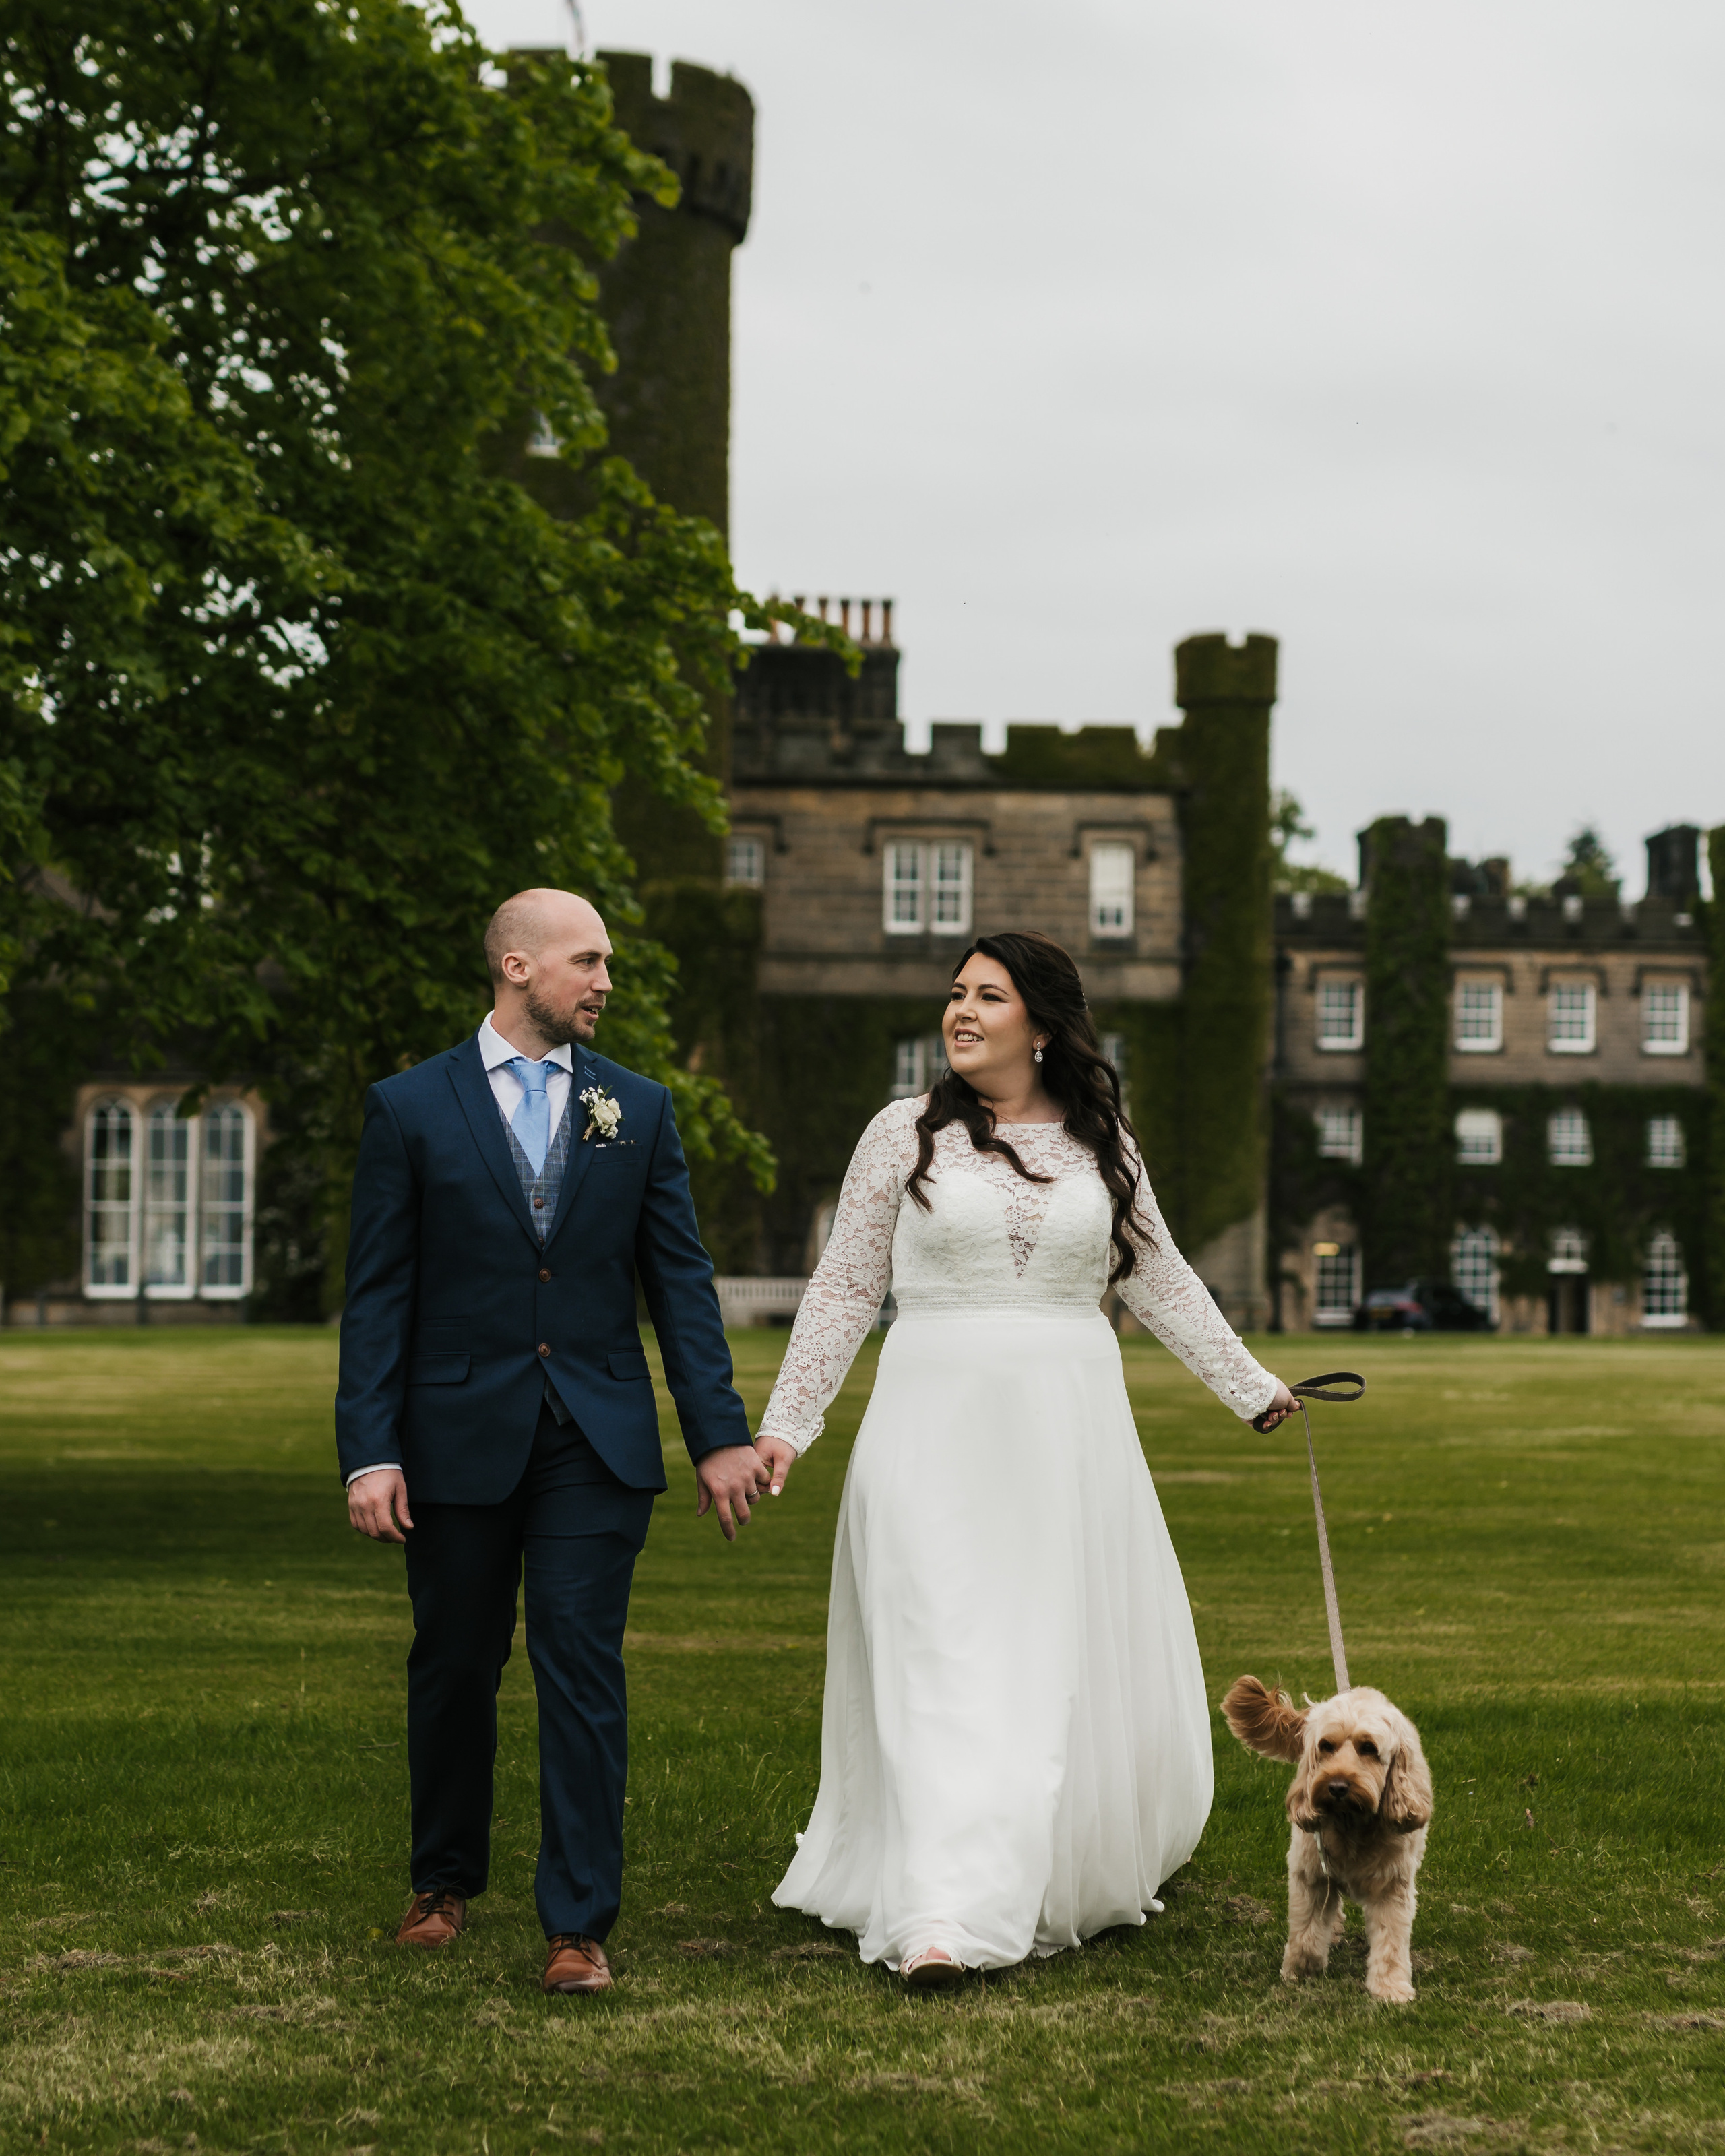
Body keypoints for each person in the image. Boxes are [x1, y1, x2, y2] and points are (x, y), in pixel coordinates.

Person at [752, 930, 1298, 1988]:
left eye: (988, 997)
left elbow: (1162, 1279)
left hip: (1065, 1433)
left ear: (1042, 1027)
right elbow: (844, 1287)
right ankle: (945, 1916)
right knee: (940, 1653)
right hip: (928, 1426)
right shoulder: (899, 1134)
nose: (960, 1012)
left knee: (1033, 1666)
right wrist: (787, 1423)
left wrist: (1252, 1389)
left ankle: (1013, 1871)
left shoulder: (1105, 1142)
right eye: (955, 994)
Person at [336, 889, 765, 1994]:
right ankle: (442, 1883)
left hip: (597, 1437)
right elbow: (378, 1296)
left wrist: (718, 1434)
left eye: (608, 963)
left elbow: (680, 1283)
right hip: (452, 1436)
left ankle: (578, 1923)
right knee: (456, 1665)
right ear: (518, 967)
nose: (607, 981)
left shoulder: (640, 1108)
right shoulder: (409, 1108)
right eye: (589, 961)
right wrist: (369, 1451)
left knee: (582, 1666)